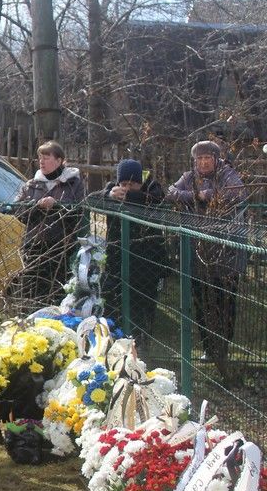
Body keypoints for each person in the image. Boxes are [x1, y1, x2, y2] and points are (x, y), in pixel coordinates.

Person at [167, 140, 248, 374]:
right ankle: (207, 347)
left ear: (216, 158)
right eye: (199, 159)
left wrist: (208, 195)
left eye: (207, 158)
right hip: (197, 254)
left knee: (225, 302)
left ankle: (222, 347)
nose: (203, 162)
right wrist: (195, 196)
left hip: (226, 254)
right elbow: (171, 193)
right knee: (201, 302)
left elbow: (238, 194)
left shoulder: (228, 174)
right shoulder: (190, 177)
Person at [10, 141, 85, 311]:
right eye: (40, 158)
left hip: (60, 248)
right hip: (33, 246)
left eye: (46, 158)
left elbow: (78, 212)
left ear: (59, 160)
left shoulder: (73, 184)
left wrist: (56, 205)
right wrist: (37, 207)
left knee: (57, 293)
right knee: (30, 292)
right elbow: (18, 211)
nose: (41, 162)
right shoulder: (31, 185)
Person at [99, 159, 167, 341]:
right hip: (117, 258)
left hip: (146, 262)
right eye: (124, 185)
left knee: (144, 306)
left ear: (140, 183)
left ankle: (142, 341)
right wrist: (109, 194)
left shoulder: (153, 188)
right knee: (115, 302)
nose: (127, 188)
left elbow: (156, 200)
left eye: (132, 185)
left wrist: (127, 196)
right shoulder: (111, 189)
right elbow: (93, 198)